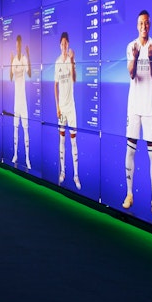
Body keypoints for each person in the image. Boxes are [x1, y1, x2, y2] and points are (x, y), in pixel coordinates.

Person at [124, 10, 152, 223]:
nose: (144, 26)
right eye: (141, 23)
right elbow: (131, 73)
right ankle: (129, 194)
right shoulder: (131, 46)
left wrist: (148, 58)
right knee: (130, 150)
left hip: (150, 108)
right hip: (134, 107)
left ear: (150, 25)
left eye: (146, 23)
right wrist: (138, 56)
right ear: (137, 25)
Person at [54, 32, 80, 189]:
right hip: (61, 108)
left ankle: (76, 175)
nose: (64, 46)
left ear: (68, 44)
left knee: (74, 141)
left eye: (66, 44)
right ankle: (63, 172)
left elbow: (75, 79)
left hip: (71, 108)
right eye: (62, 44)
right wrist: (57, 106)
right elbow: (55, 86)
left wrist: (71, 61)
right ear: (60, 45)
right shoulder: (57, 63)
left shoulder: (71, 60)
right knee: (62, 140)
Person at [11, 34, 31, 170]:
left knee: (25, 129)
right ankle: (15, 155)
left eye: (19, 45)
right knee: (15, 128)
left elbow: (29, 74)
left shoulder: (24, 59)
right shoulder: (13, 61)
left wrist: (28, 55)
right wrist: (9, 61)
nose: (18, 47)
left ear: (21, 45)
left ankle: (27, 158)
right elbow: (10, 77)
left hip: (23, 101)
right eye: (16, 46)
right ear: (15, 46)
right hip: (16, 101)